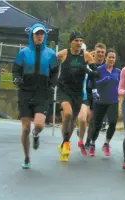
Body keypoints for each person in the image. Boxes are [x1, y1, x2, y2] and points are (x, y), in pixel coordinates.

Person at [12, 24, 59, 169]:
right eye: (37, 34)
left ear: (45, 37)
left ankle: (36, 135)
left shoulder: (50, 54)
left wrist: (52, 84)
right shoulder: (23, 53)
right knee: (25, 128)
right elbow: (16, 71)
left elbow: (55, 71)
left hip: (42, 93)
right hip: (26, 92)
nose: (39, 36)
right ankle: (27, 157)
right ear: (32, 36)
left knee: (38, 125)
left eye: (42, 34)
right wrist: (17, 79)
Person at [55, 32, 99, 162]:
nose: (79, 43)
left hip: (78, 93)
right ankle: (66, 143)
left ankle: (64, 143)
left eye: (81, 40)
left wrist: (94, 85)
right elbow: (50, 63)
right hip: (64, 90)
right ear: (71, 42)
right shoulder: (63, 54)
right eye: (76, 41)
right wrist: (52, 80)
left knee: (72, 121)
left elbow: (94, 73)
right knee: (67, 114)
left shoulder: (86, 55)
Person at [85, 50, 120, 157]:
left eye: (113, 58)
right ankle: (92, 143)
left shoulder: (118, 71)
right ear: (105, 58)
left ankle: (106, 143)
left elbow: (121, 85)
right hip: (99, 101)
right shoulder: (99, 70)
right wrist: (102, 81)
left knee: (113, 122)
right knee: (97, 125)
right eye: (109, 57)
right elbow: (91, 85)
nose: (111, 59)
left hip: (113, 101)